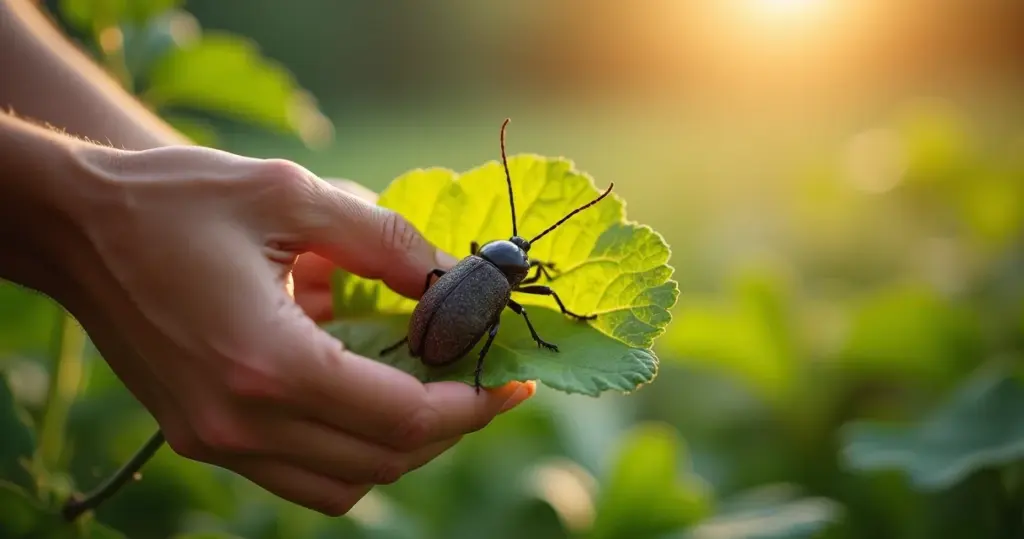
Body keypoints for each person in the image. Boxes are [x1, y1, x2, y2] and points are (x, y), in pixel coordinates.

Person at [0, 0, 535, 516]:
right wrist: (86, 212)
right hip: (441, 333)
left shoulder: (471, 266)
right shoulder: (498, 280)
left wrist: (124, 194)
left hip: (436, 323)